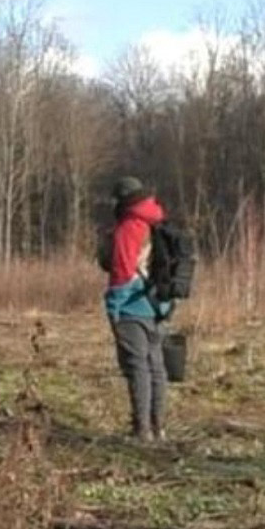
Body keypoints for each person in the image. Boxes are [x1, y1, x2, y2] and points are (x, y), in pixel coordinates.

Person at [101, 176, 172, 440]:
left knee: (137, 366)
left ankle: (142, 429)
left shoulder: (130, 227)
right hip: (157, 305)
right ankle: (158, 427)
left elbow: (122, 272)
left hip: (132, 306)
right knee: (156, 366)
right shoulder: (155, 220)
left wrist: (113, 308)